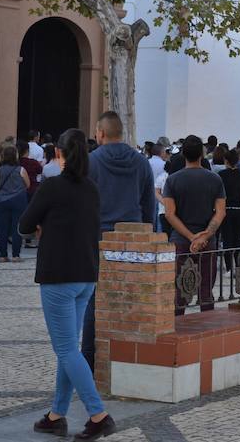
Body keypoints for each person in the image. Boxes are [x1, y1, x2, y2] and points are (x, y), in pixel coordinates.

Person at [18, 129, 116, 440]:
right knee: (68, 350)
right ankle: (56, 415)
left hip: (58, 276)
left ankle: (98, 414)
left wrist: (42, 226)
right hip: (86, 274)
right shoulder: (91, 188)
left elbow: (23, 225)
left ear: (58, 153)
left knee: (65, 349)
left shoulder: (51, 187)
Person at [84, 111, 156, 369]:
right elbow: (149, 205)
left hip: (97, 237)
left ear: (100, 133)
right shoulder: (141, 162)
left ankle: (90, 359)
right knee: (133, 296)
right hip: (134, 237)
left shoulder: (91, 161)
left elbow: (82, 204)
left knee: (93, 299)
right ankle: (132, 356)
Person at [163, 135, 226, 314]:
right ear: (202, 154)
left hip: (181, 240)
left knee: (179, 291)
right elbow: (220, 212)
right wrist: (205, 235)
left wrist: (191, 237)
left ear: (183, 154)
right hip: (208, 241)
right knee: (206, 291)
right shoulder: (215, 179)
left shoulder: (172, 180)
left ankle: (179, 329)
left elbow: (169, 214)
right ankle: (205, 332)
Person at [0, 145, 30, 262]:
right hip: (18, 200)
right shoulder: (21, 169)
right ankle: (16, 255)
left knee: (2, 229)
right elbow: (28, 184)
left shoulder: (0, 169)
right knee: (16, 228)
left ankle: (3, 255)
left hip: (2, 200)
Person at [218, 150, 240, 271]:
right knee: (237, 239)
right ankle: (239, 265)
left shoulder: (222, 174)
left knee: (227, 240)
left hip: (226, 209)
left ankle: (229, 268)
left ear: (226, 161)